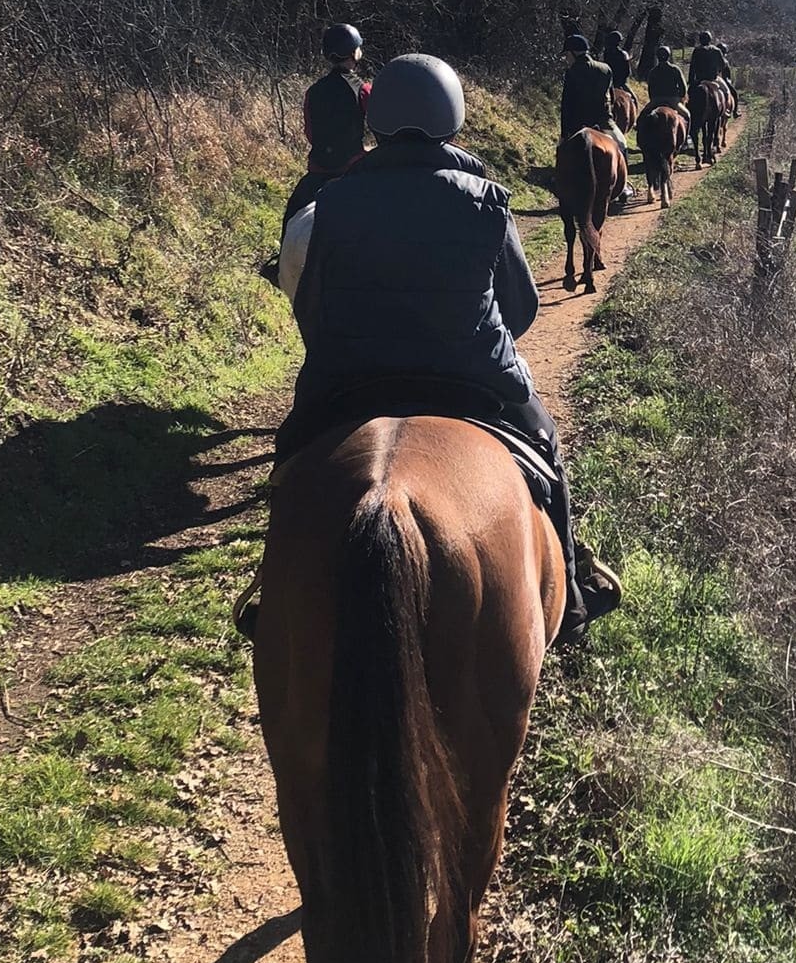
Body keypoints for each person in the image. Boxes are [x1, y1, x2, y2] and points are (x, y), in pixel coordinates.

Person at [259, 55, 620, 645]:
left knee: (293, 453)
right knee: (546, 451)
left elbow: (305, 299)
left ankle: (266, 589)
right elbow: (523, 309)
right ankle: (573, 594)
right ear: (453, 117)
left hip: (347, 376)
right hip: (473, 375)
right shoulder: (486, 201)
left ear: (372, 120)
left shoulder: (320, 209)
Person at [283, 22, 370, 229]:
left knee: (292, 216)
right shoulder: (364, 90)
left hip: (318, 169)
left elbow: (311, 134)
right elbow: (381, 127)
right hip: (353, 167)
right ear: (354, 53)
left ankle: (280, 258)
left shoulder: (313, 91)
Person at [561, 31, 630, 204]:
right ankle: (624, 185)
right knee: (622, 145)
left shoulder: (571, 72)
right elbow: (612, 97)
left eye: (566, 55)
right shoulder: (605, 69)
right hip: (603, 122)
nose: (566, 59)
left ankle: (559, 183)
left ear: (574, 53)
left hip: (577, 125)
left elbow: (566, 105)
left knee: (562, 153)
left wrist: (564, 133)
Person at [688, 28, 738, 111]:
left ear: (700, 40)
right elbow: (722, 66)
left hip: (699, 80)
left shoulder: (697, 50)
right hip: (713, 79)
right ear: (710, 39)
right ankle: (725, 109)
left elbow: (692, 67)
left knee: (689, 94)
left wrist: (691, 81)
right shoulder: (716, 50)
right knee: (726, 92)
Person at [646, 43, 689, 116]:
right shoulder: (675, 69)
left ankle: (639, 126)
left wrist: (653, 99)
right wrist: (680, 97)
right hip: (673, 100)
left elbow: (650, 88)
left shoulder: (653, 71)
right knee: (687, 115)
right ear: (668, 56)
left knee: (642, 115)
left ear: (657, 57)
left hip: (657, 100)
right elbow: (683, 87)